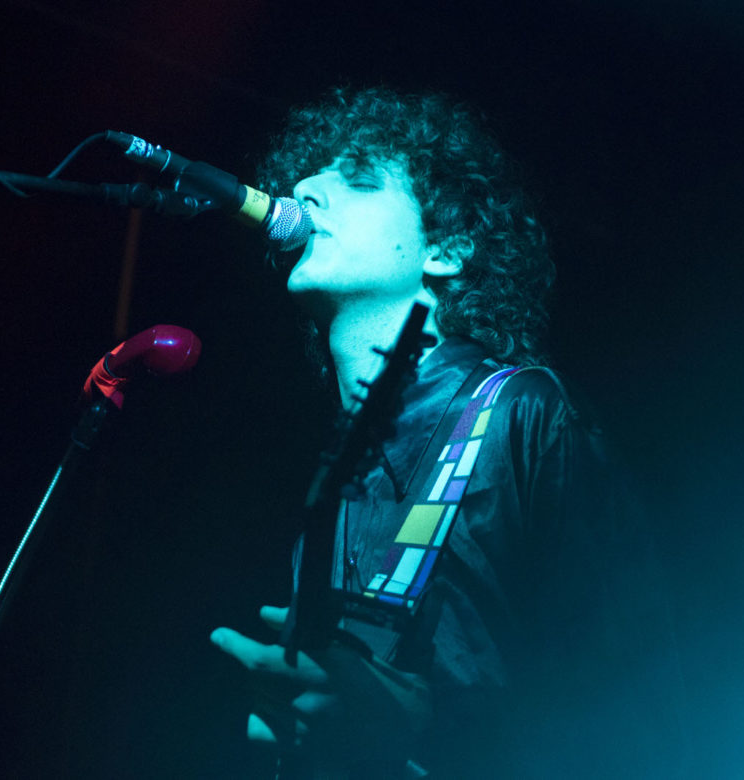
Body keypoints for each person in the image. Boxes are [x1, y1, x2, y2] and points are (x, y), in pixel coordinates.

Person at [209, 87, 685, 778]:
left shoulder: (522, 413)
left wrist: (431, 728)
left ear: (449, 248)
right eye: (306, 178)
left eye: (361, 179)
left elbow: (628, 711)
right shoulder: (329, 477)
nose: (305, 188)